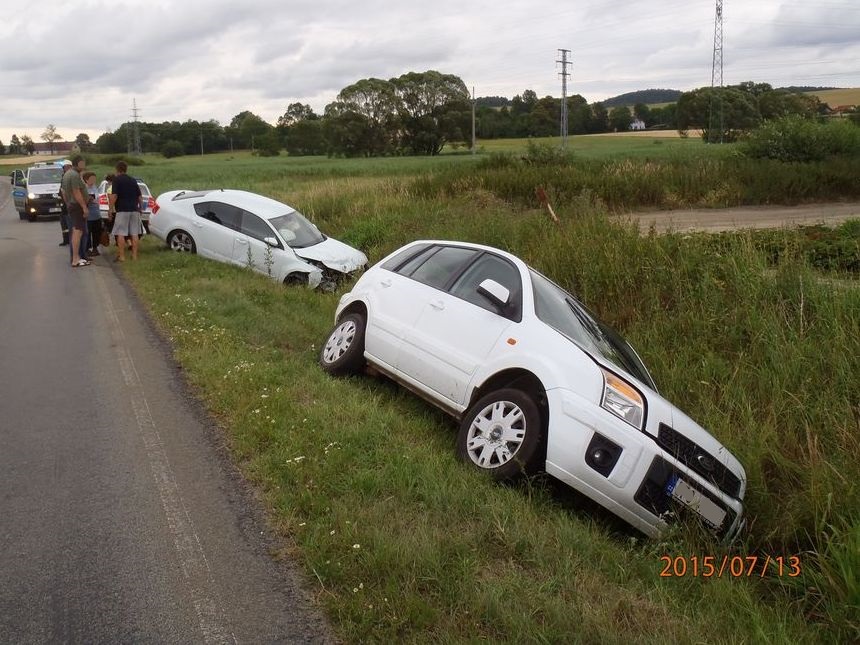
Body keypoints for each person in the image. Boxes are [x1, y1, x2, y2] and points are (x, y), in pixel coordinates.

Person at [60, 155, 90, 267]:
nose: (84, 165)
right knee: (78, 232)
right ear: (77, 163)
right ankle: (75, 259)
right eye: (82, 163)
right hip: (77, 206)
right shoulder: (74, 175)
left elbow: (64, 192)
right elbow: (76, 192)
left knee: (76, 231)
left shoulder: (67, 174)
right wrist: (84, 207)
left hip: (73, 205)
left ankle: (76, 257)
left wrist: (68, 203)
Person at [109, 161, 142, 262]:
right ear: (126, 169)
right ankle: (134, 256)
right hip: (134, 209)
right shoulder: (133, 180)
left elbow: (114, 195)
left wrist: (110, 208)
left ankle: (122, 256)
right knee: (135, 233)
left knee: (121, 233)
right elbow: (140, 196)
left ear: (117, 169)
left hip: (122, 210)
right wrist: (140, 208)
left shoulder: (116, 180)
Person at [83, 171, 102, 256]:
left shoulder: (95, 187)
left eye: (94, 178)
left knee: (96, 232)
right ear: (86, 179)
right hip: (88, 214)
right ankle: (87, 249)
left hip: (96, 213)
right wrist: (89, 199)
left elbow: (98, 198)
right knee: (88, 232)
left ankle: (95, 248)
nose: (93, 180)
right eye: (91, 179)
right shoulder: (84, 188)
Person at [58, 162, 72, 246]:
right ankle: (66, 239)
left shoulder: (70, 177)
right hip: (63, 204)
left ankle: (70, 239)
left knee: (69, 223)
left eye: (66, 167)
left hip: (69, 204)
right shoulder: (64, 177)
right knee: (63, 224)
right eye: (64, 167)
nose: (65, 169)